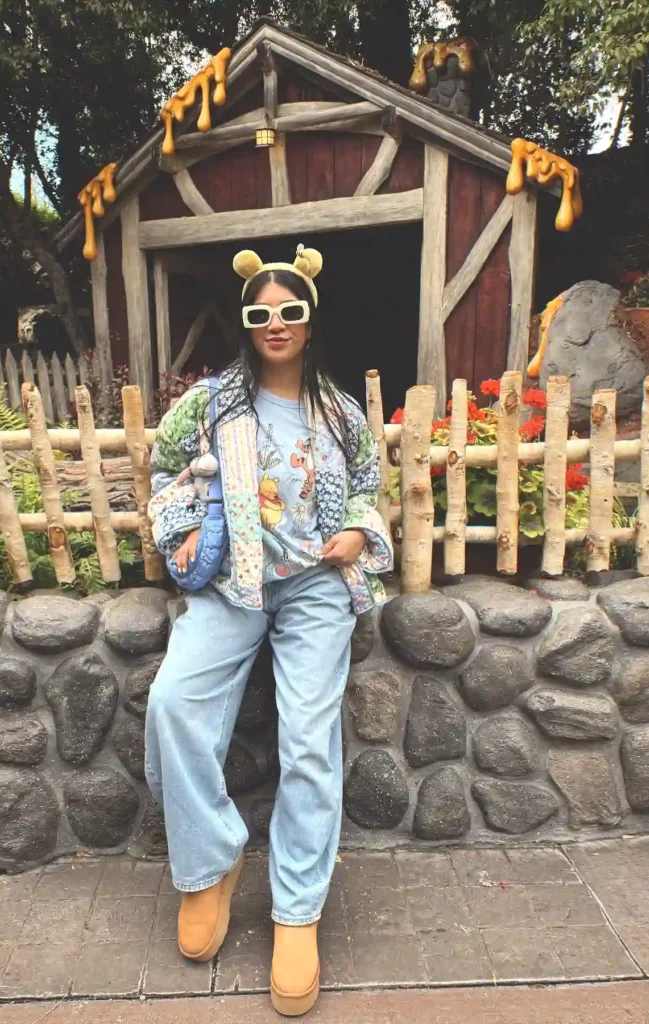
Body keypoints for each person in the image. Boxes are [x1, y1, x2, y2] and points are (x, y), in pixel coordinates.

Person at [144, 244, 393, 1016]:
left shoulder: (340, 412)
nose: (275, 323)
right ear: (245, 322)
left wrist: (356, 530)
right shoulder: (210, 404)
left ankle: (296, 910)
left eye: (290, 311)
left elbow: (367, 484)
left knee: (309, 740)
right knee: (173, 703)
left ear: (310, 321)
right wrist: (183, 529)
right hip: (232, 585)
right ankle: (211, 863)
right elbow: (164, 470)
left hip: (315, 587)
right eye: (261, 313)